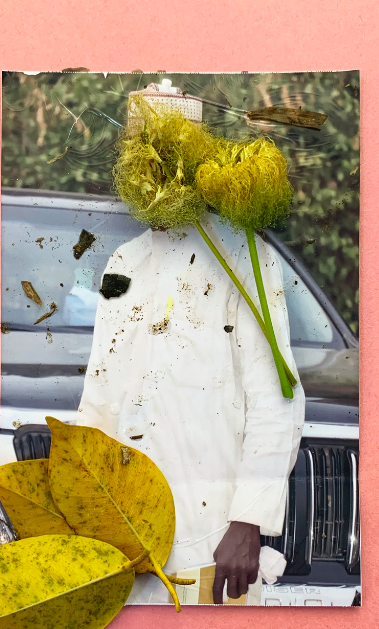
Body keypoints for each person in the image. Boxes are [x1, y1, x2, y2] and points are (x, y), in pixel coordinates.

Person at [76, 210, 305, 604]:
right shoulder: (124, 261)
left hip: (213, 552)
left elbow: (275, 398)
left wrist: (248, 520)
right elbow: (99, 398)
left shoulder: (243, 253)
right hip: (125, 548)